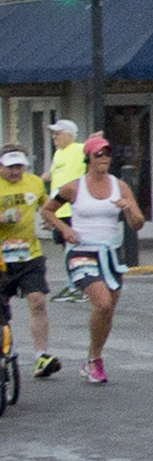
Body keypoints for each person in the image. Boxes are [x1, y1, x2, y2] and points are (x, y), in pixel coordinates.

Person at [45, 136, 142, 383]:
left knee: (108, 311)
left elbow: (138, 223)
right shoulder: (74, 187)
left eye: (107, 154)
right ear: (88, 157)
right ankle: (95, 361)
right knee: (102, 303)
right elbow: (46, 210)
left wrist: (128, 209)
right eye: (98, 154)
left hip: (110, 253)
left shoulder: (120, 186)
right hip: (81, 252)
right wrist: (64, 230)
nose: (104, 159)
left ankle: (93, 357)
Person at [0, 149, 62, 379]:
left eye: (20, 166)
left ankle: (40, 356)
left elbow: (47, 207)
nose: (16, 171)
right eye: (10, 167)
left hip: (29, 255)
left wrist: (50, 221)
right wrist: (3, 218)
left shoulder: (34, 183)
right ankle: (5, 348)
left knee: (37, 301)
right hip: (1, 259)